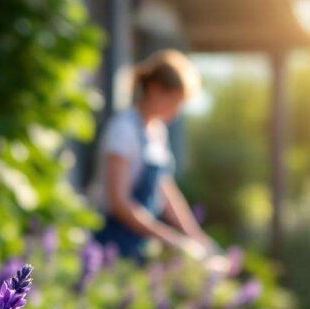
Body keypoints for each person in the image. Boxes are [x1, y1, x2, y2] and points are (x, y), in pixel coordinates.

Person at [91, 49, 219, 264]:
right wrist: (171, 239)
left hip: (139, 241)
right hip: (110, 239)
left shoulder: (157, 132)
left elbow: (166, 190)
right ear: (154, 90)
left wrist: (196, 237)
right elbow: (119, 203)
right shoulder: (123, 129)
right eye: (174, 100)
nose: (177, 111)